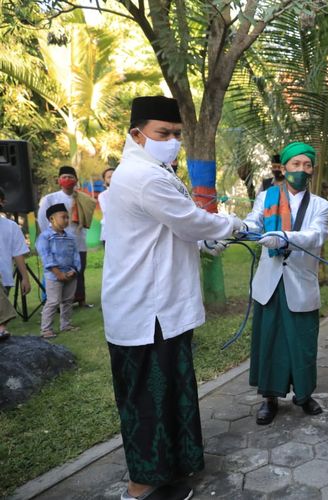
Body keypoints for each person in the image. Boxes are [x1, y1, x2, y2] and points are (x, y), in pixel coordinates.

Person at [102, 95, 244, 500]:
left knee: (171, 395)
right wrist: (234, 224)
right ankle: (142, 486)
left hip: (160, 309)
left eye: (177, 134)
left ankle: (173, 469)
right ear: (136, 134)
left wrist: (206, 244)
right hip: (148, 312)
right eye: (163, 133)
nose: (173, 141)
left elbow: (167, 232)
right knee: (149, 399)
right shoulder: (143, 176)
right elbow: (190, 220)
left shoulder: (151, 171)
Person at [235, 141, 328, 426]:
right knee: (269, 341)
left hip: (300, 284)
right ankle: (269, 398)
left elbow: (316, 236)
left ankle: (304, 395)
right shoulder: (266, 198)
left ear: (311, 169)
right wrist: (240, 229)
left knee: (302, 343)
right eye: (295, 164)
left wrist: (284, 237)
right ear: (284, 167)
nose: (301, 170)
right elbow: (254, 223)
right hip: (269, 283)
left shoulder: (321, 205)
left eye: (306, 165)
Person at [38, 166, 96, 308]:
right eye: (64, 177)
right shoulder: (50, 199)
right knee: (57, 272)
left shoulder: (83, 198)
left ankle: (81, 300)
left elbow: (86, 219)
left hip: (78, 240)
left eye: (70, 177)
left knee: (78, 271)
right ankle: (56, 303)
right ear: (59, 180)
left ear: (76, 180)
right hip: (57, 243)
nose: (67, 180)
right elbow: (42, 220)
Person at [36, 203, 80, 339]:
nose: (67, 220)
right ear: (52, 219)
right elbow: (46, 255)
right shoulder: (45, 237)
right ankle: (46, 329)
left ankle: (65, 325)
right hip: (53, 276)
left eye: (68, 218)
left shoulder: (70, 237)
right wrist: (57, 273)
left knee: (67, 301)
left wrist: (74, 270)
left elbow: (75, 255)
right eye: (63, 217)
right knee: (53, 301)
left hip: (70, 274)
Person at [0, 188, 31, 341]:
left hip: (3, 275)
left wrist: (25, 277)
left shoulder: (11, 227)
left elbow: (18, 254)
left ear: (2, 202)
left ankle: (1, 330)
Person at [98, 167, 115, 248]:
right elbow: (107, 211)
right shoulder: (103, 196)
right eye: (109, 177)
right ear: (105, 181)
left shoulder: (127, 193)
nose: (112, 178)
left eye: (114, 175)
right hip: (109, 231)